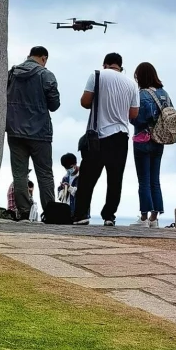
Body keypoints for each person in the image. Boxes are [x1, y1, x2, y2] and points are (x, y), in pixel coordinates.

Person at [72, 53, 139, 226]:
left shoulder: (97, 75)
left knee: (88, 177)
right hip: (121, 136)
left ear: (105, 64)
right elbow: (133, 114)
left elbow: (85, 102)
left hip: (99, 136)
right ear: (120, 67)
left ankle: (81, 214)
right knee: (115, 179)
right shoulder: (132, 84)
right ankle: (109, 216)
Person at [6, 46, 60, 220]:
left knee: (19, 173)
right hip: (40, 133)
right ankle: (50, 212)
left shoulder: (12, 73)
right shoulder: (46, 75)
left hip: (14, 130)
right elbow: (54, 105)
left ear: (29, 56)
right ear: (43, 58)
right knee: (44, 173)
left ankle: (23, 211)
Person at [132, 62, 173, 228]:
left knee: (144, 180)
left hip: (142, 139)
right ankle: (154, 218)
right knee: (155, 179)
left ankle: (143, 218)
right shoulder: (164, 94)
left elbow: (136, 119)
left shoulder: (140, 95)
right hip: (159, 140)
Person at [58, 153, 81, 218]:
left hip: (79, 214)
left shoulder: (83, 175)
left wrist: (69, 188)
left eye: (70, 167)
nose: (68, 169)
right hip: (67, 213)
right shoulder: (65, 178)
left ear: (75, 164)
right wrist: (62, 189)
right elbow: (60, 198)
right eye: (66, 168)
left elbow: (82, 194)